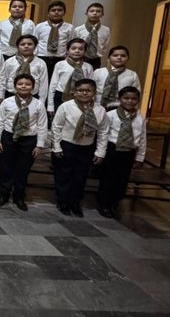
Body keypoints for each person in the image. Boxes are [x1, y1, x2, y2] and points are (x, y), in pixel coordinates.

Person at [50, 78, 109, 217]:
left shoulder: (100, 110)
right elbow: (56, 127)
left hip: (86, 146)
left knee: (80, 176)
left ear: (94, 93)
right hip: (67, 144)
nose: (84, 93)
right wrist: (56, 146)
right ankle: (63, 201)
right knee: (64, 174)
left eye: (88, 91)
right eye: (80, 90)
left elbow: (103, 132)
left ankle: (75, 202)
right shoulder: (66, 106)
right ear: (74, 92)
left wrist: (100, 152)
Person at [0, 74, 47, 211]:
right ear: (14, 86)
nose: (24, 86)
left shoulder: (38, 104)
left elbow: (42, 125)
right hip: (9, 137)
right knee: (5, 168)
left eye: (27, 84)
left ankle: (19, 196)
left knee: (23, 169)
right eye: (20, 84)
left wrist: (39, 144)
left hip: (28, 140)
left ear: (33, 87)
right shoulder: (7, 102)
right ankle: (3, 194)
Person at [96, 86, 146, 219]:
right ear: (120, 99)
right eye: (126, 98)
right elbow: (103, 133)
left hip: (129, 151)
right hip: (112, 150)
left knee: (122, 179)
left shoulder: (140, 118)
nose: (129, 101)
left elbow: (142, 138)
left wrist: (140, 157)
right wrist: (100, 152)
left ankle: (114, 202)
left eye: (133, 99)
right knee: (108, 178)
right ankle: (104, 204)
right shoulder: (110, 115)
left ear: (138, 100)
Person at [48, 38, 93, 115]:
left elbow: (91, 87)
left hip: (81, 97)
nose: (77, 51)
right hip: (61, 96)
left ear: (85, 52)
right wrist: (50, 106)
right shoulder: (60, 65)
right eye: (73, 48)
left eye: (81, 49)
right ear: (67, 50)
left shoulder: (88, 67)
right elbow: (53, 85)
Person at [0, 35, 49, 102]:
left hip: (33, 97)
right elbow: (2, 79)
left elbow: (43, 84)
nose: (26, 46)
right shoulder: (10, 61)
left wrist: (42, 100)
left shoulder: (40, 63)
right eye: (22, 44)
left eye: (30, 44)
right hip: (11, 95)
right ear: (17, 47)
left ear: (35, 47)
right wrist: (0, 95)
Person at [93, 45, 141, 110]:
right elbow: (91, 90)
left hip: (121, 108)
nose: (119, 57)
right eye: (115, 55)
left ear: (128, 58)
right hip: (98, 106)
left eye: (123, 56)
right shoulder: (98, 72)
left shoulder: (132, 75)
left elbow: (136, 95)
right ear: (108, 58)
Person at [34, 0, 72, 79]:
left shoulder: (69, 27)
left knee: (56, 81)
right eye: (53, 10)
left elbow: (70, 44)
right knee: (41, 80)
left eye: (59, 10)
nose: (56, 12)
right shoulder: (40, 26)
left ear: (64, 12)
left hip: (60, 59)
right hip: (42, 58)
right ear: (48, 13)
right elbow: (35, 43)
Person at [73, 2, 111, 69]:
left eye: (98, 11)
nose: (94, 13)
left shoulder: (106, 30)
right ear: (86, 13)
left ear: (102, 14)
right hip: (79, 59)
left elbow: (105, 46)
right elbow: (73, 45)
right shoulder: (78, 29)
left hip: (96, 60)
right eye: (91, 11)